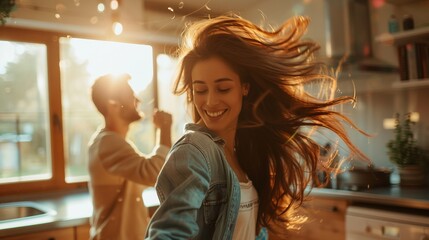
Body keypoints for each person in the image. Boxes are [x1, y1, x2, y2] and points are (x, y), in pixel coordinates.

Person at [146, 15, 368, 240]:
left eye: (223, 88)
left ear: (245, 87)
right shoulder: (194, 151)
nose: (210, 101)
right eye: (200, 90)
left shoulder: (245, 151)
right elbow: (167, 234)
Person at [88, 73, 172, 240]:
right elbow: (154, 173)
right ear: (113, 105)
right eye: (130, 96)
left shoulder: (113, 142)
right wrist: (165, 129)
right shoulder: (107, 143)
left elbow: (144, 174)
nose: (138, 100)